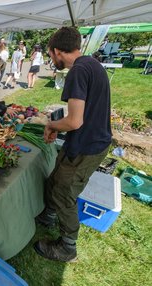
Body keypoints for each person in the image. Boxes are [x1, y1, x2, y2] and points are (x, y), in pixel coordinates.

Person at [34, 27, 112, 262]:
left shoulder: (77, 72)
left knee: (64, 193)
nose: (51, 60)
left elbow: (74, 121)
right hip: (87, 141)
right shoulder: (92, 64)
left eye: (51, 55)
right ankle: (48, 216)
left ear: (58, 51)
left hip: (87, 146)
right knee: (56, 178)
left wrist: (50, 125)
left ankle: (68, 246)